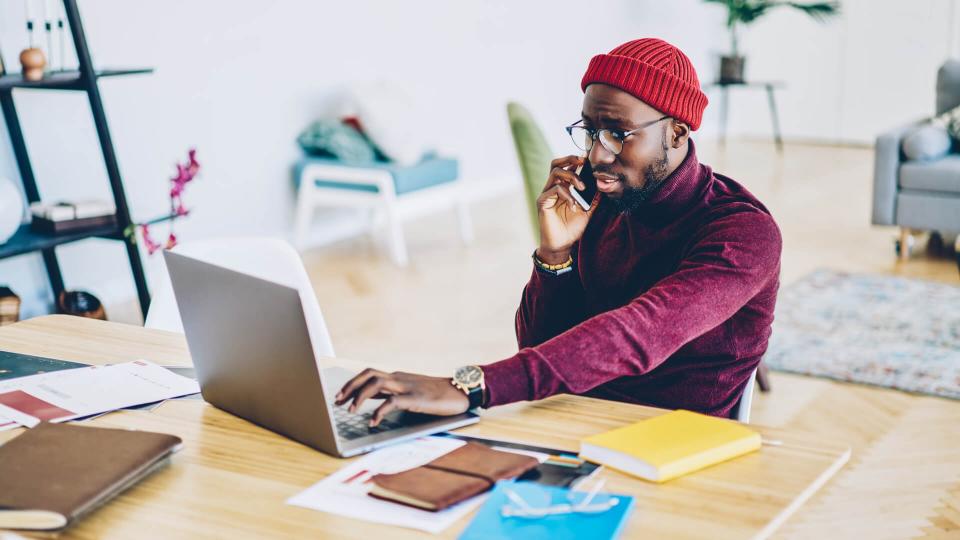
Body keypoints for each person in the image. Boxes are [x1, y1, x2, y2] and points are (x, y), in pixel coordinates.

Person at [336, 37, 782, 425]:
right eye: (589, 132)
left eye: (617, 134)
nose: (598, 157)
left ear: (677, 133)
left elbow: (639, 334)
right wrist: (554, 255)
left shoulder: (743, 233)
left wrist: (469, 385)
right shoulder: (606, 204)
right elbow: (537, 344)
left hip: (670, 447)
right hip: (572, 422)